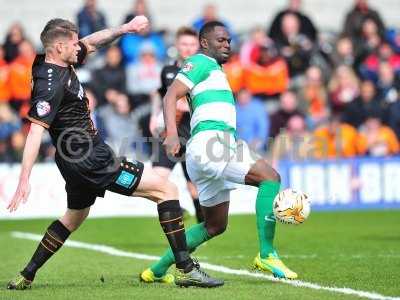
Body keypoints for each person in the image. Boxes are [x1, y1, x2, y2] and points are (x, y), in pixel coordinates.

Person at [6, 16, 222, 290]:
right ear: (59, 47)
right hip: (90, 158)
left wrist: (126, 28)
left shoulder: (54, 61)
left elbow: (92, 43)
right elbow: (35, 131)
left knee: (74, 216)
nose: (79, 47)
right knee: (166, 190)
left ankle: (27, 274)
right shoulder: (50, 86)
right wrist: (25, 179)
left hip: (72, 160)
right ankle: (185, 269)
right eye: (74, 43)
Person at [140, 21, 298, 283]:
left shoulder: (214, 70)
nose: (227, 45)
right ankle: (267, 254)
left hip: (208, 149)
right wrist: (170, 134)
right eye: (221, 40)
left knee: (215, 225)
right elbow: (170, 96)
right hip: (211, 143)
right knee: (270, 178)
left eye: (229, 41)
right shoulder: (199, 62)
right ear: (204, 42)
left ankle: (156, 270)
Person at [148, 27, 204, 228]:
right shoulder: (168, 71)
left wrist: (186, 105)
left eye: (191, 45)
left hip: (192, 137)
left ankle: (202, 227)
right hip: (170, 136)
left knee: (194, 189)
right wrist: (154, 116)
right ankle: (178, 210)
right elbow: (160, 94)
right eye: (184, 44)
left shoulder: (202, 72)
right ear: (177, 46)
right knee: (155, 181)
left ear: (197, 47)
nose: (187, 48)